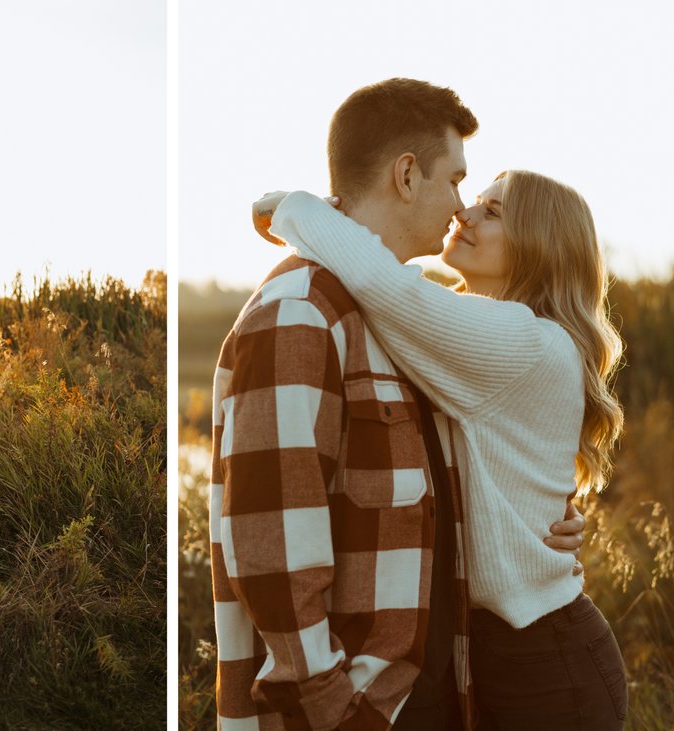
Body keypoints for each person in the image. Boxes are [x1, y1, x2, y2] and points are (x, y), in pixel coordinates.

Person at [209, 78, 586, 731]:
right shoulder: (302, 312)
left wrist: (550, 511)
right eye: (458, 182)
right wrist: (331, 709)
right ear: (407, 176)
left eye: (486, 205)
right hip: (363, 709)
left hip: (458, 685)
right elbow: (270, 546)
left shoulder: (409, 321)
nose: (461, 208)